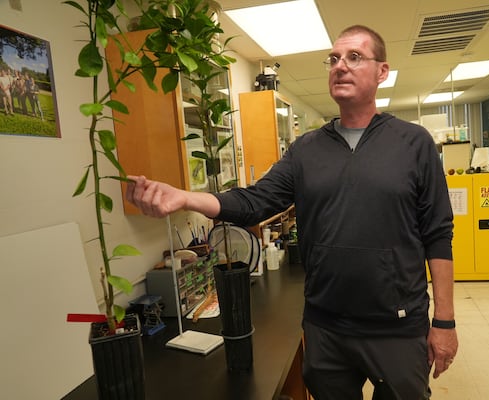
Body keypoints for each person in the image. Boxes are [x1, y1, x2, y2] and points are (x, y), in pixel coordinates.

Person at [126, 24, 458, 400]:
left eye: (354, 57)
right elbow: (255, 201)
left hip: (396, 325)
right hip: (327, 326)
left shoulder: (413, 143)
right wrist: (184, 197)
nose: (340, 66)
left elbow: (437, 234)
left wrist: (444, 321)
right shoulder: (306, 150)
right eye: (333, 59)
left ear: (382, 71)